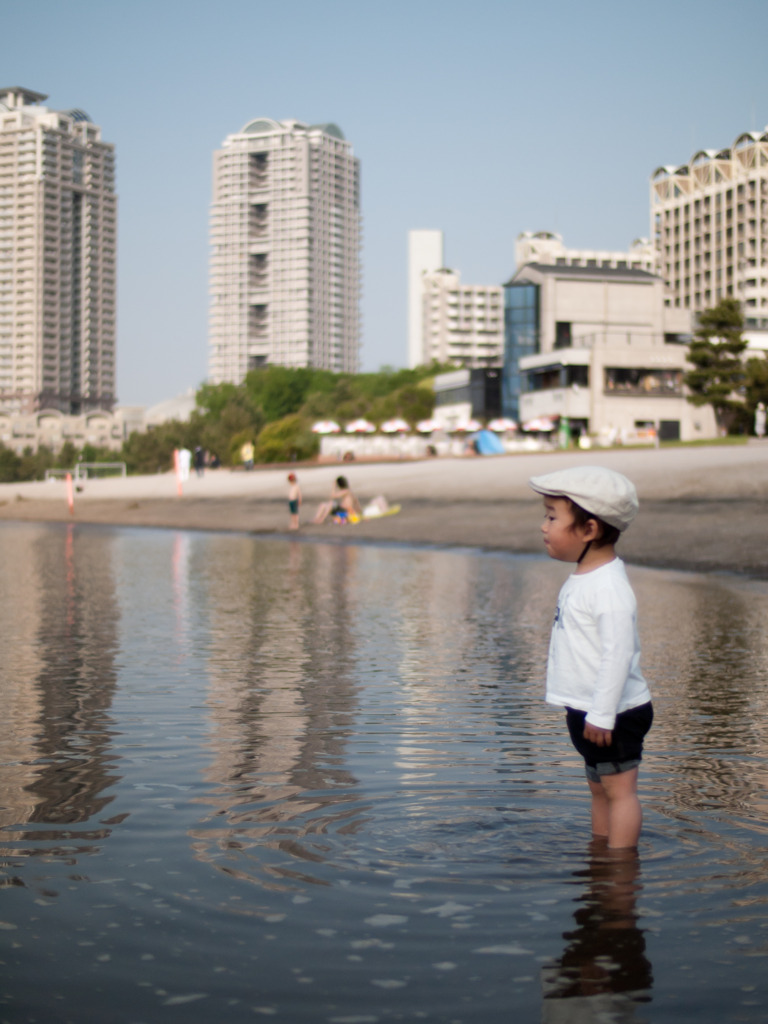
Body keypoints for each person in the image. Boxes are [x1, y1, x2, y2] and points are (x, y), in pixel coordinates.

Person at [529, 465, 653, 850]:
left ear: (589, 530)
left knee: (620, 792)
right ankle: (600, 854)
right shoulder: (585, 577)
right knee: (600, 790)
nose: (543, 526)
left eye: (552, 517)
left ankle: (621, 868)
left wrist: (601, 714)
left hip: (614, 714)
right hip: (587, 710)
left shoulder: (609, 588)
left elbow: (618, 655)